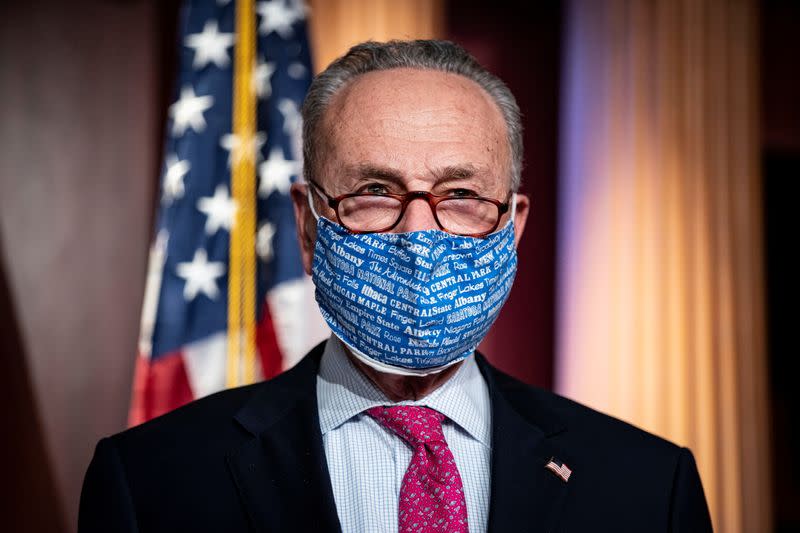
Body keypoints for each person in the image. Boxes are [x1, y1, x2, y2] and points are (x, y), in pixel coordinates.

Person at [79, 40, 712, 532]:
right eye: (374, 192)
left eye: (461, 195)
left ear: (512, 227)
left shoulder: (648, 484)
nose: (417, 234)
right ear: (308, 224)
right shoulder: (152, 480)